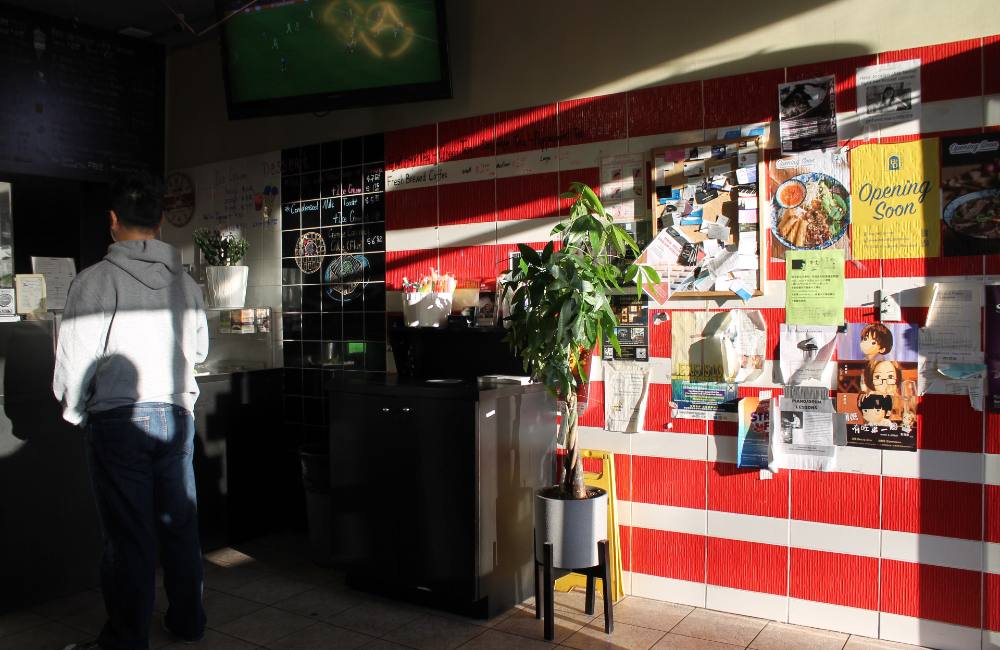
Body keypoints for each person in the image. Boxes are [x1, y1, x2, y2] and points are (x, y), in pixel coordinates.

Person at [54, 172, 209, 650]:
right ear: (161, 222)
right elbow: (200, 351)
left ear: (113, 221)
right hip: (176, 417)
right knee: (179, 525)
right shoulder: (188, 284)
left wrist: (76, 411)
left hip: (119, 422)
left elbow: (75, 363)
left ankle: (126, 638)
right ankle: (187, 621)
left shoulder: (93, 282)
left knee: (129, 536)